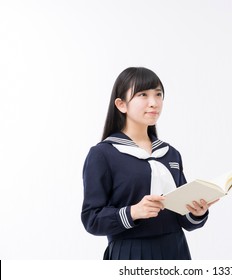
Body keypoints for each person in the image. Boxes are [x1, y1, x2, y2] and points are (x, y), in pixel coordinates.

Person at [81, 67, 215, 260]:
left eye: (158, 94)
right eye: (143, 94)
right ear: (121, 104)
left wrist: (197, 212)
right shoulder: (103, 154)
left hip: (176, 251)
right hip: (130, 253)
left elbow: (184, 220)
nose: (154, 103)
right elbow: (91, 219)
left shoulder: (170, 154)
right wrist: (133, 212)